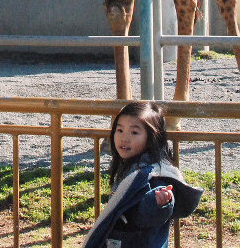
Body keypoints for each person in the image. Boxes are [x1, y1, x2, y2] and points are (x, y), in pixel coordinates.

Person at [81, 101, 203, 248]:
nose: (124, 138)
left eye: (134, 132)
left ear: (152, 137)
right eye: (119, 130)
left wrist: (158, 203)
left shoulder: (155, 175)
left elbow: (143, 214)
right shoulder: (130, 166)